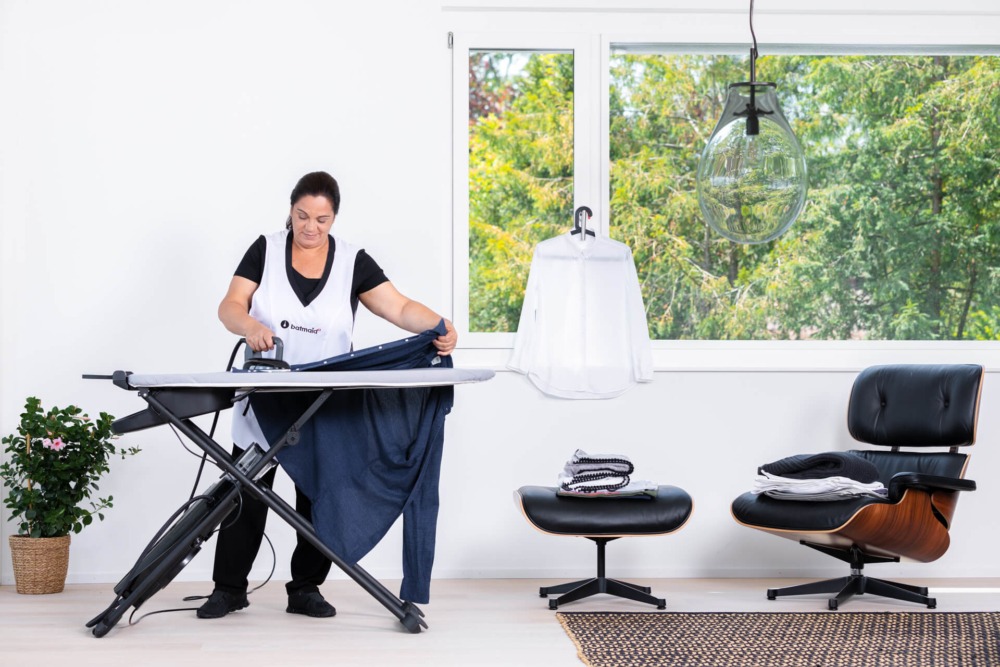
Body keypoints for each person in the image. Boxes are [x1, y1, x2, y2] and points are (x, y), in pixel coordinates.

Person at [197, 171, 457, 619]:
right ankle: (228, 588)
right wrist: (250, 326)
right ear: (291, 210)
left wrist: (439, 325)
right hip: (265, 395)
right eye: (302, 216)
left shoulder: (353, 261)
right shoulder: (266, 249)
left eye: (322, 218)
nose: (311, 227)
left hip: (323, 402)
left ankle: (305, 589)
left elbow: (397, 306)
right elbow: (230, 305)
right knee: (247, 490)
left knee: (320, 492)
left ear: (334, 217)